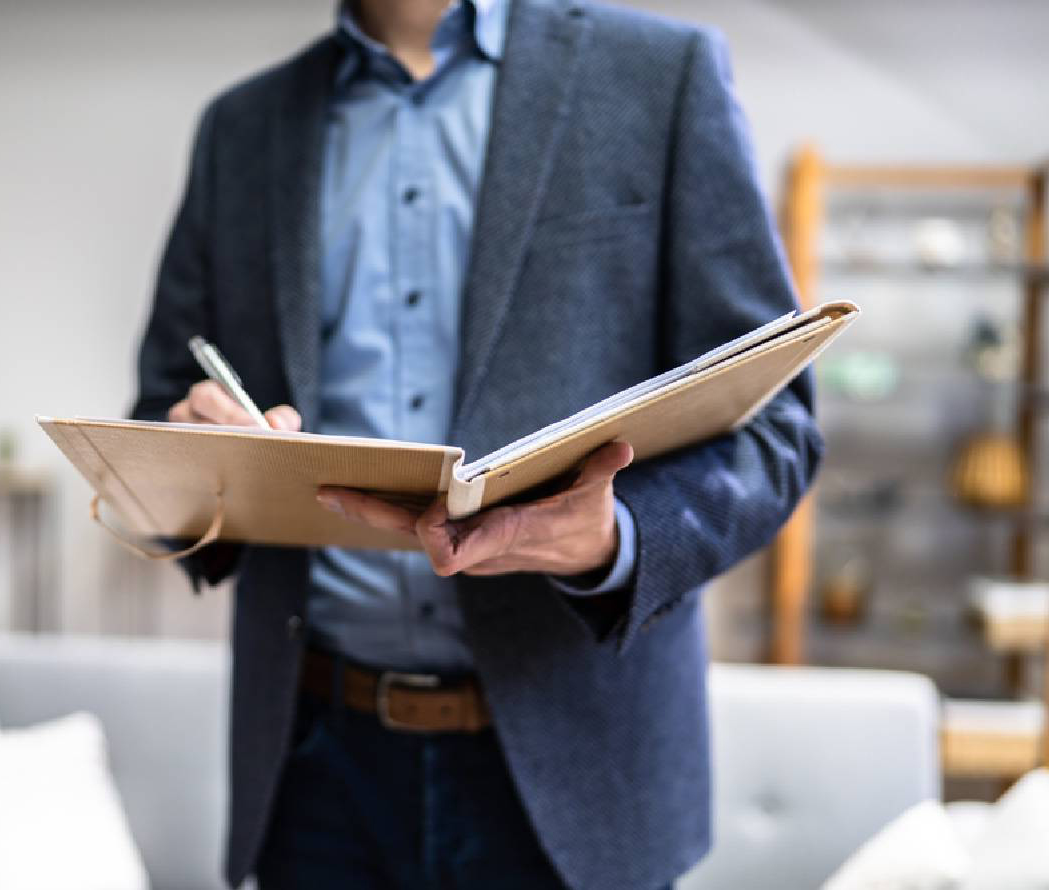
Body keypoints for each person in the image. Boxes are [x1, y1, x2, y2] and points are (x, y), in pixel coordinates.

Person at [132, 0, 822, 887]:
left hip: (581, 771)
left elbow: (775, 427)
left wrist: (617, 540)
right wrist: (194, 453)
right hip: (312, 769)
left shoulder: (661, 75)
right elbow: (161, 412)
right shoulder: (242, 127)